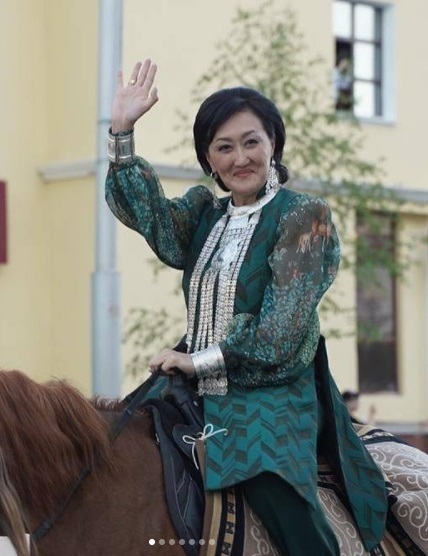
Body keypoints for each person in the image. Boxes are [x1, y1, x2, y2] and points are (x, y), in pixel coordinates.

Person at [105, 58, 388, 555]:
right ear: (208, 159)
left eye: (251, 142)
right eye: (224, 147)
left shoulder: (303, 216)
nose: (240, 158)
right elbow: (149, 217)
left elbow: (280, 332)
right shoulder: (204, 213)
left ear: (273, 143)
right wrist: (122, 132)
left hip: (273, 391)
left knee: (267, 478)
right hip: (191, 385)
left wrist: (197, 360)